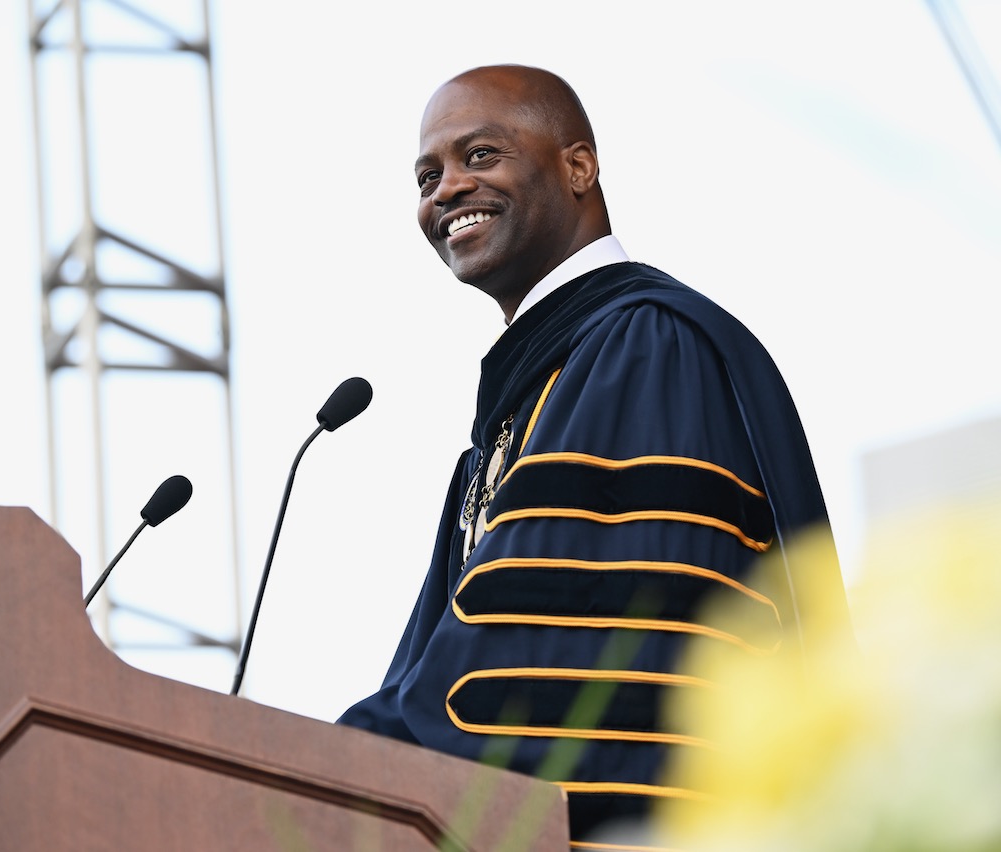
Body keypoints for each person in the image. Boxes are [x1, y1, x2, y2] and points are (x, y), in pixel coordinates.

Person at [338, 64, 852, 844]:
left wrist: (352, 764)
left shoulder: (646, 347)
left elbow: (572, 644)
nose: (445, 190)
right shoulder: (504, 433)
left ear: (579, 167)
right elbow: (425, 675)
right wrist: (291, 758)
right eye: (426, 175)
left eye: (480, 156)